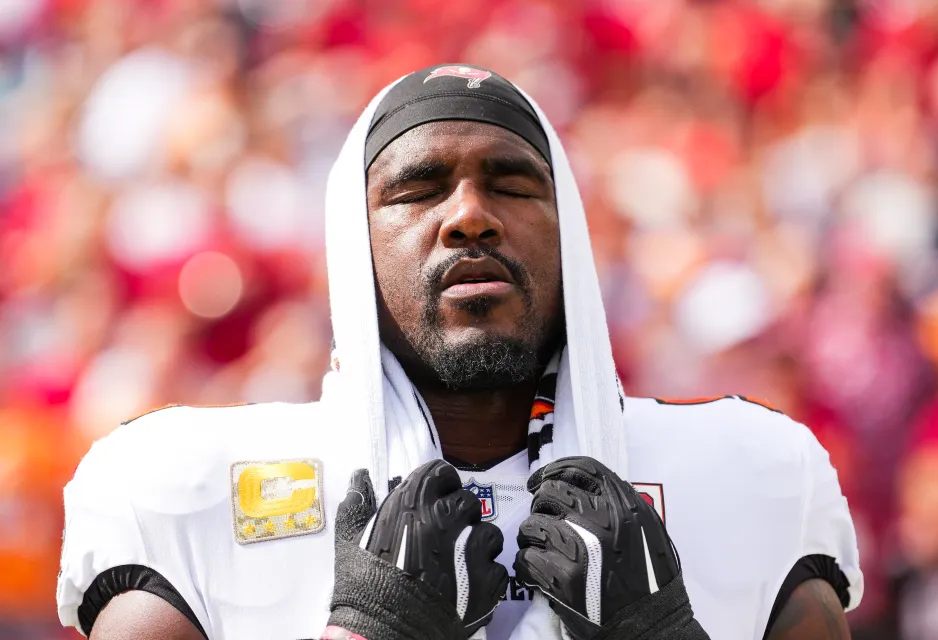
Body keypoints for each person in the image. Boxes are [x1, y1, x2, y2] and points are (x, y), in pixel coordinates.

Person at [56, 65, 863, 640]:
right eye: (418, 188)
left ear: (573, 236)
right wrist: (376, 631)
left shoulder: (753, 471)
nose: (469, 215)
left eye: (512, 184)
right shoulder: (185, 484)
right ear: (353, 245)